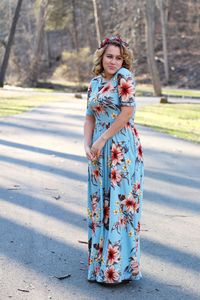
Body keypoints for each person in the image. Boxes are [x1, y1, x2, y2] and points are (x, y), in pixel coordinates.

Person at [83, 34, 144, 284]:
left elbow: (128, 112)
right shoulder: (94, 83)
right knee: (100, 204)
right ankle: (100, 267)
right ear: (101, 57)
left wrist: (102, 139)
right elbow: (89, 116)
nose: (114, 61)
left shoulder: (124, 78)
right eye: (110, 56)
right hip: (98, 149)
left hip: (121, 148)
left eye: (119, 57)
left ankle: (121, 269)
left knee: (120, 205)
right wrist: (87, 144)